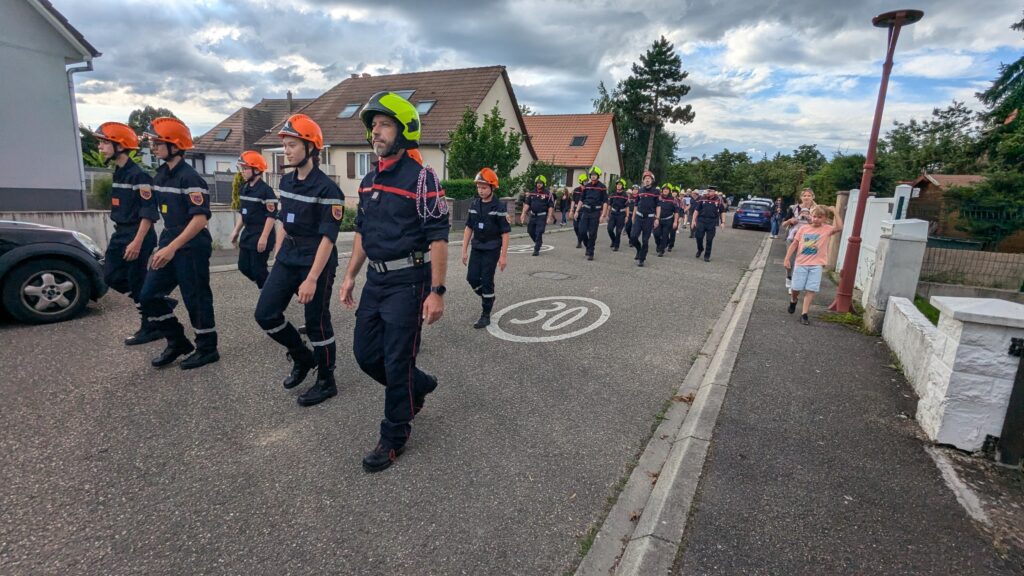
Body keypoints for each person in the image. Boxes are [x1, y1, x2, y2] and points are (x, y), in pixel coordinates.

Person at [339, 91, 450, 473]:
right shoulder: (368, 181)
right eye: (373, 126)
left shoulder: (423, 179)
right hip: (376, 280)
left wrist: (436, 292)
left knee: (397, 357)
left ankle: (394, 434)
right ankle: (415, 385)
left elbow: (438, 238)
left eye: (384, 125)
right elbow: (362, 234)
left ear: (405, 130)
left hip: (409, 282)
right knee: (365, 354)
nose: (376, 133)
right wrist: (350, 275)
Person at [252, 115, 344, 406]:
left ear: (311, 148)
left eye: (292, 145)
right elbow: (284, 221)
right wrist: (278, 253)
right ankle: (303, 357)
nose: (287, 151)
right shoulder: (287, 181)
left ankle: (327, 381)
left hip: (316, 259)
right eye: (285, 146)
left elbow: (328, 239)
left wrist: (312, 279)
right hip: (288, 256)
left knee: (316, 322)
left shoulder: (329, 191)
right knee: (265, 313)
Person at [137, 118, 219, 369]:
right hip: (170, 241)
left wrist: (172, 247)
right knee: (148, 295)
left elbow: (200, 219)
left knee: (195, 298)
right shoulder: (161, 175)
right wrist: (164, 245)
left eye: (159, 142)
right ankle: (177, 340)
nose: (154, 147)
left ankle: (207, 348)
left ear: (175, 145)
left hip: (191, 245)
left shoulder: (190, 178)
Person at [92, 122, 161, 346]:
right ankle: (155, 301)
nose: (100, 147)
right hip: (121, 232)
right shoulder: (120, 173)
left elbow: (148, 213)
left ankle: (150, 325)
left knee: (137, 280)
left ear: (120, 145)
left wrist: (137, 242)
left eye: (104, 142)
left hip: (137, 234)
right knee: (110, 275)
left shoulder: (138, 176)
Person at [462, 168, 510, 329]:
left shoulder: (499, 207)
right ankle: (488, 297)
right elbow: (469, 228)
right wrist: (464, 251)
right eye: (478, 187)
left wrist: (503, 256)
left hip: (492, 248)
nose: (480, 190)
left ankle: (485, 314)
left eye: (483, 187)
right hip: (477, 247)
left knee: (487, 279)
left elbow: (505, 233)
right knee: (472, 277)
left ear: (492, 187)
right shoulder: (474, 204)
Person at [784, 205, 843, 325]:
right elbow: (794, 244)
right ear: (811, 216)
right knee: (796, 288)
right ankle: (793, 300)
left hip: (817, 264)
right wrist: (787, 259)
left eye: (819, 217)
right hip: (801, 263)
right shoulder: (803, 229)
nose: (816, 219)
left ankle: (804, 314)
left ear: (825, 218)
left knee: (811, 289)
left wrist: (835, 212)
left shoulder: (827, 229)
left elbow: (840, 227)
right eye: (814, 216)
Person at [229, 151, 278, 289]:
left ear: (256, 170)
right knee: (243, 267)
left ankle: (269, 294)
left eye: (245, 169)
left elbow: (271, 216)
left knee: (258, 269)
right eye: (242, 168)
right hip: (248, 234)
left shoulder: (266, 191)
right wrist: (236, 231)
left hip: (262, 234)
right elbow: (243, 213)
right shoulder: (244, 188)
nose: (242, 172)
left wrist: (264, 238)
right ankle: (269, 287)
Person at [783, 188, 818, 291]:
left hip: (809, 239)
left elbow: (820, 224)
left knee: (805, 262)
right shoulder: (793, 208)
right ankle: (789, 278)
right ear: (801, 197)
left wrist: (812, 221)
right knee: (791, 260)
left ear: (813, 197)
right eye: (805, 196)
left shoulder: (816, 209)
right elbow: (783, 224)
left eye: (809, 196)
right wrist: (790, 220)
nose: (806, 198)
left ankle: (797, 284)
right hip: (793, 237)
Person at [571, 166, 609, 261]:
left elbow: (605, 202)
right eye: (591, 175)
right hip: (585, 211)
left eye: (594, 175)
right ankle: (588, 246)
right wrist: (576, 211)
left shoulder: (602, 187)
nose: (593, 176)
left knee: (592, 233)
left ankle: (591, 252)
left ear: (598, 176)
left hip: (595, 212)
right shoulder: (586, 186)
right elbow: (581, 200)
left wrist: (603, 215)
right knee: (582, 231)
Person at [519, 175, 554, 256]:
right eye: (538, 183)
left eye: (541, 183)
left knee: (539, 232)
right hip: (533, 215)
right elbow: (527, 204)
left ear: (544, 184)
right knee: (530, 231)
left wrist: (549, 217)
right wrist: (523, 214)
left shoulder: (548, 194)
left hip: (542, 216)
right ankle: (539, 242)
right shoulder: (532, 192)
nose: (539, 184)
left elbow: (551, 207)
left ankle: (536, 249)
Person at [630, 171, 659, 266]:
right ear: (643, 180)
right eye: (645, 178)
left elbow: (658, 206)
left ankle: (642, 259)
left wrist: (657, 218)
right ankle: (639, 249)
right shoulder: (640, 191)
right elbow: (635, 205)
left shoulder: (656, 192)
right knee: (633, 237)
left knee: (645, 240)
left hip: (649, 219)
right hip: (639, 217)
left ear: (652, 180)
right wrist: (633, 216)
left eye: (649, 178)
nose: (647, 180)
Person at [691, 187, 726, 262]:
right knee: (698, 237)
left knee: (709, 239)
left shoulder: (718, 200)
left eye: (711, 191)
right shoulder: (702, 198)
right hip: (701, 220)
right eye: (708, 190)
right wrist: (693, 220)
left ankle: (707, 256)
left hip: (712, 221)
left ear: (714, 192)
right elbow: (696, 210)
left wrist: (723, 222)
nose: (709, 192)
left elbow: (722, 212)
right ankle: (700, 249)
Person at [654, 184, 680, 256]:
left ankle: (661, 250)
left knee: (665, 235)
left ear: (669, 191)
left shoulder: (673, 199)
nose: (665, 190)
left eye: (667, 189)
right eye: (664, 189)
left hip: (668, 220)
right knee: (656, 234)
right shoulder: (658, 198)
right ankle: (659, 244)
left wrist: (675, 222)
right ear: (662, 190)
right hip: (658, 219)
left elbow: (676, 212)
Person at [606, 178, 629, 251]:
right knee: (609, 229)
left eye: (620, 185)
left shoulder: (625, 195)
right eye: (617, 185)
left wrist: (627, 216)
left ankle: (616, 246)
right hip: (613, 214)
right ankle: (613, 240)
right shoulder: (613, 194)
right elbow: (609, 205)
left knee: (618, 231)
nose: (618, 186)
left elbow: (627, 206)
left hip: (621, 214)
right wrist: (607, 215)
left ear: (623, 186)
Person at [571, 173, 587, 248]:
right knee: (575, 227)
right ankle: (580, 239)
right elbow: (573, 201)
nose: (586, 182)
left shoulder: (588, 190)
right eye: (585, 181)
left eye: (587, 181)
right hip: (576, 210)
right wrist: (571, 210)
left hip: (584, 211)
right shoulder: (576, 190)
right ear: (581, 181)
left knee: (581, 228)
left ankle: (580, 241)